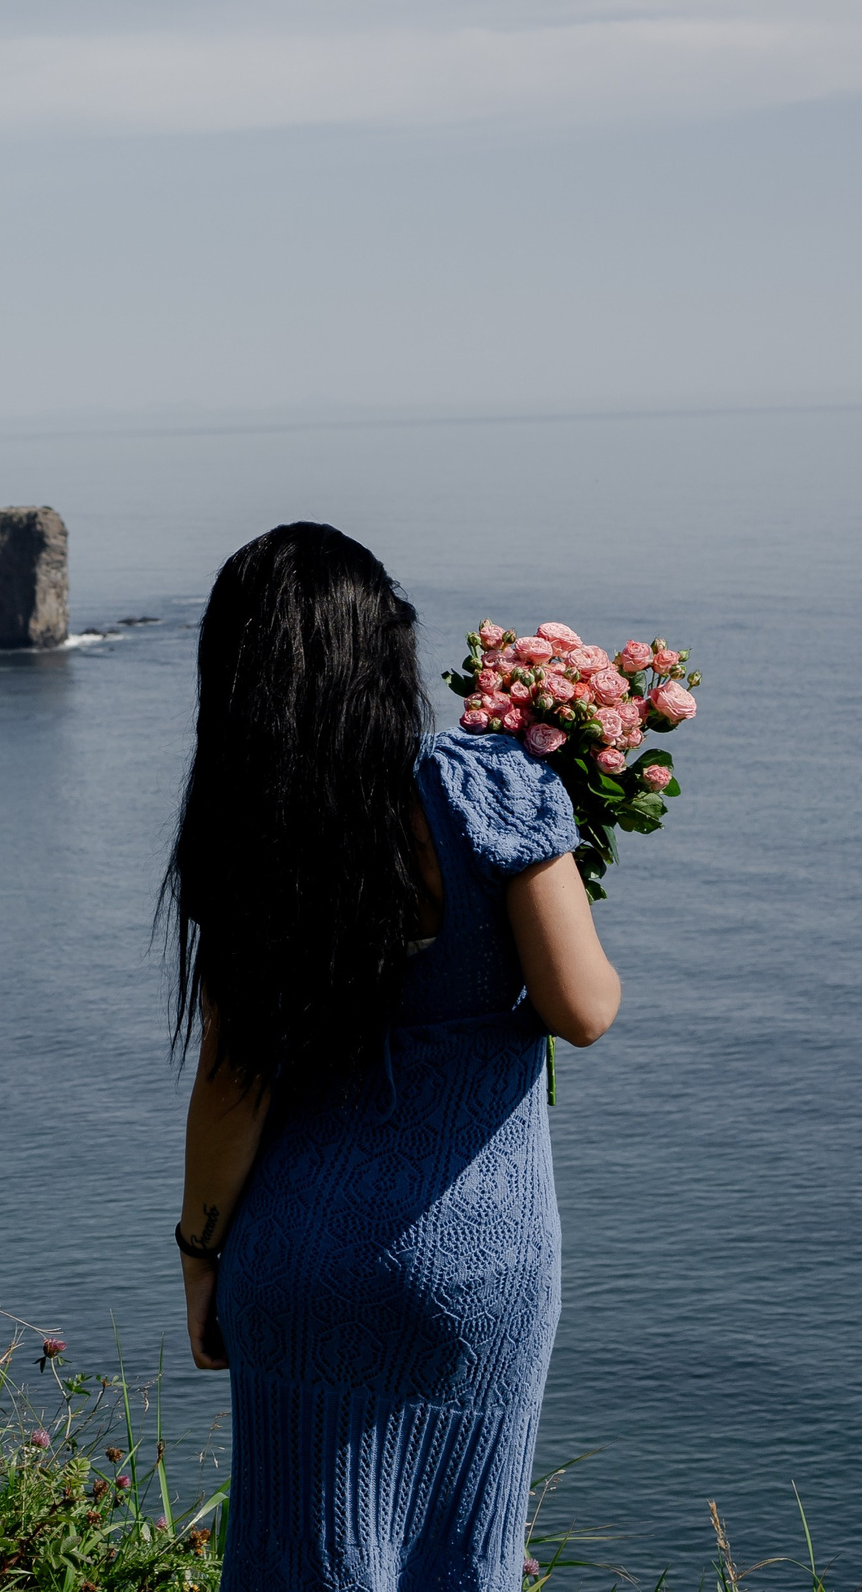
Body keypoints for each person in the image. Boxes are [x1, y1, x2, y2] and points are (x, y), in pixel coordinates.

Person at [165, 523, 621, 1592]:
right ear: (389, 649)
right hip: (477, 1256)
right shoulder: (488, 788)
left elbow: (234, 1085)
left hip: (301, 1258)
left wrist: (200, 1259)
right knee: (463, 1556)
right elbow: (581, 1008)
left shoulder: (248, 835)